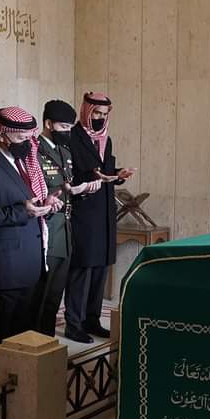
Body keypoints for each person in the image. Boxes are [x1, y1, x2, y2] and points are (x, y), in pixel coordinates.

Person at [0, 107, 62, 386]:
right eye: (22, 138)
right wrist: (23, 211)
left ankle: (20, 393)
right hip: (2, 269)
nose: (28, 143)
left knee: (22, 336)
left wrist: (46, 205)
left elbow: (28, 203)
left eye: (30, 137)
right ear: (3, 135)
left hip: (29, 265)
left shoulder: (23, 163)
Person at [65, 92, 135, 342]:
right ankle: (74, 323)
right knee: (82, 269)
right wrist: (92, 178)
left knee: (100, 269)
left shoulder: (106, 139)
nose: (100, 118)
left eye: (104, 114)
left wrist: (119, 174)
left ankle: (91, 320)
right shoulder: (72, 137)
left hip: (104, 214)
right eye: (96, 113)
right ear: (87, 111)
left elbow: (106, 172)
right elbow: (69, 174)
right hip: (84, 212)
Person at [35, 100, 102, 338]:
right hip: (47, 228)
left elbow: (68, 187)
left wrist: (81, 190)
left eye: (69, 127)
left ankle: (47, 343)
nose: (67, 132)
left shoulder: (64, 151)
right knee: (41, 295)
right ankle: (36, 343)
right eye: (63, 127)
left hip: (65, 229)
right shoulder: (35, 151)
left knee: (55, 294)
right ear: (48, 123)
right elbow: (33, 190)